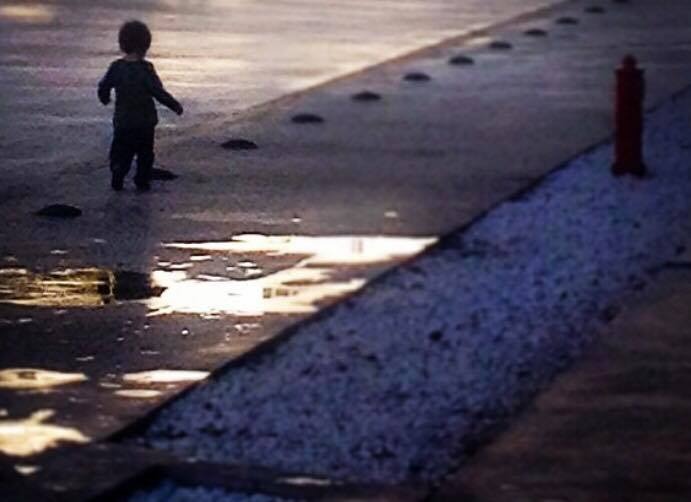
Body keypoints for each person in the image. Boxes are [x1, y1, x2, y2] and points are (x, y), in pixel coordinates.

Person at [98, 20, 183, 191]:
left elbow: (104, 86)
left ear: (122, 44)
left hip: (123, 121)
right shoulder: (146, 69)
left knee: (120, 150)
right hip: (145, 122)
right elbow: (157, 91)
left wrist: (105, 98)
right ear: (146, 45)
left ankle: (118, 173)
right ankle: (142, 180)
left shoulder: (116, 67)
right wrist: (174, 105)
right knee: (145, 153)